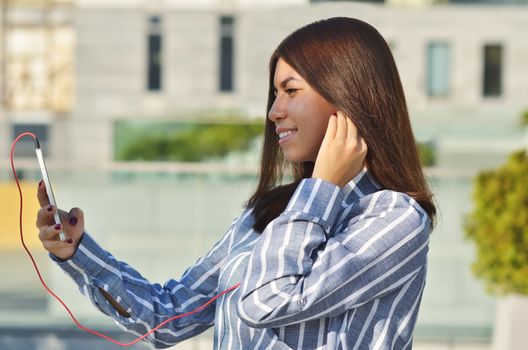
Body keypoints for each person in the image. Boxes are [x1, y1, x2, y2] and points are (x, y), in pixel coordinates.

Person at [36, 17, 436, 349]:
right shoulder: (274, 211)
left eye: (291, 91)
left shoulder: (395, 220)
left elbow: (269, 301)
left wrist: (321, 191)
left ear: (347, 98)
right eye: (273, 94)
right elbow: (170, 315)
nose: (274, 111)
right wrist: (78, 253)